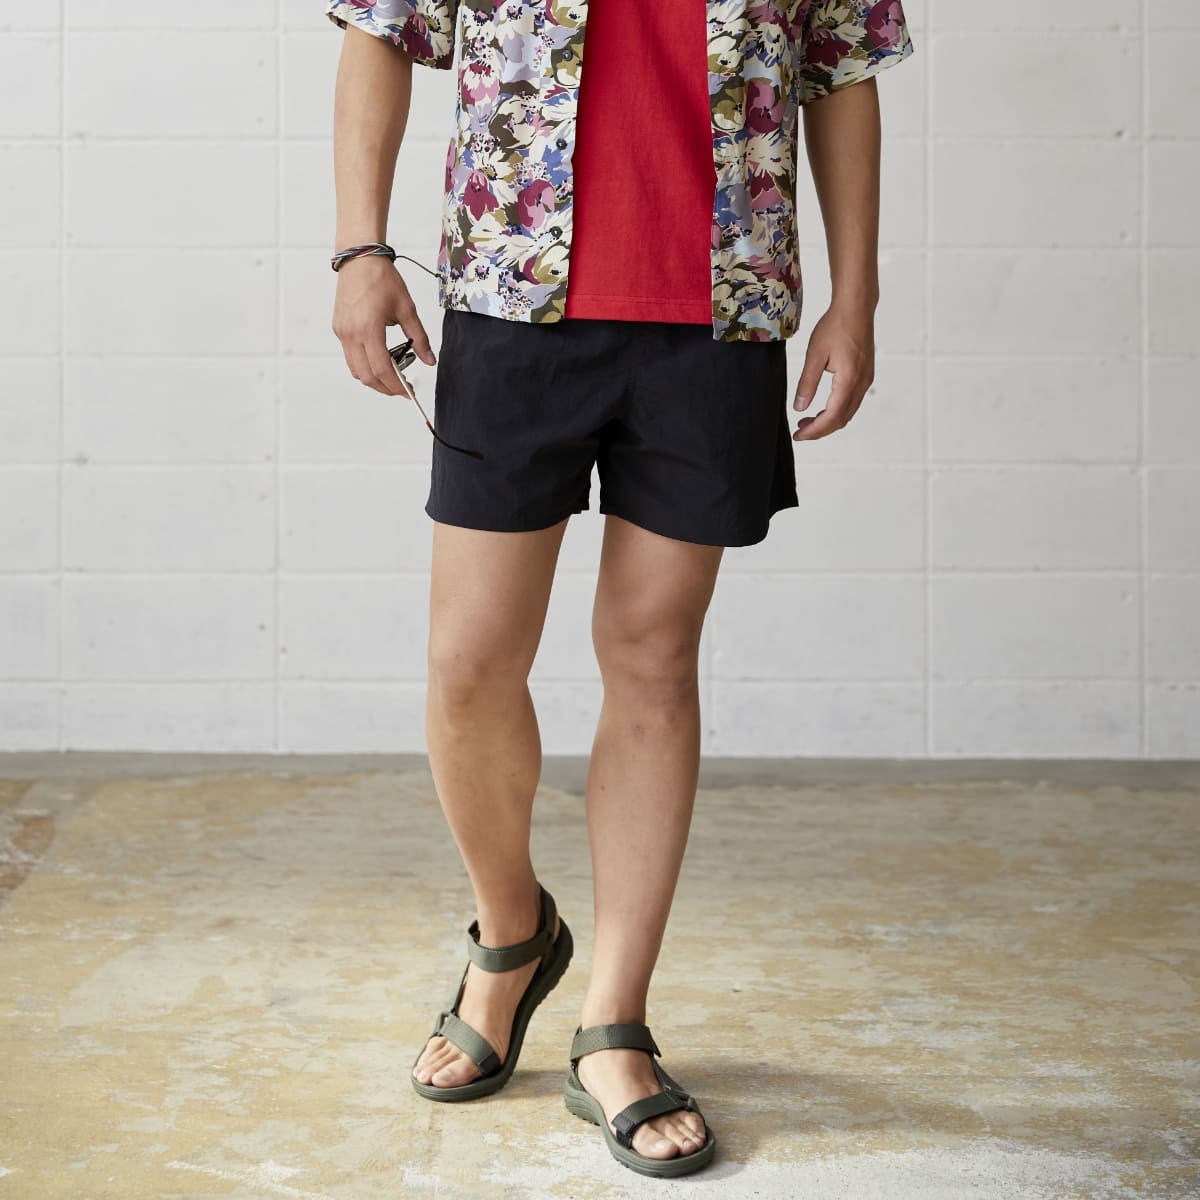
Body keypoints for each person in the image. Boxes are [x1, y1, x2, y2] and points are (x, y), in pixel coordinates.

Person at [325, 0, 914, 1178]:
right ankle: (512, 936)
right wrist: (361, 249)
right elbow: (380, 30)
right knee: (469, 661)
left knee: (652, 659)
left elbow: (841, 69)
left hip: (717, 314)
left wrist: (856, 296)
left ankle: (614, 1025)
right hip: (512, 294)